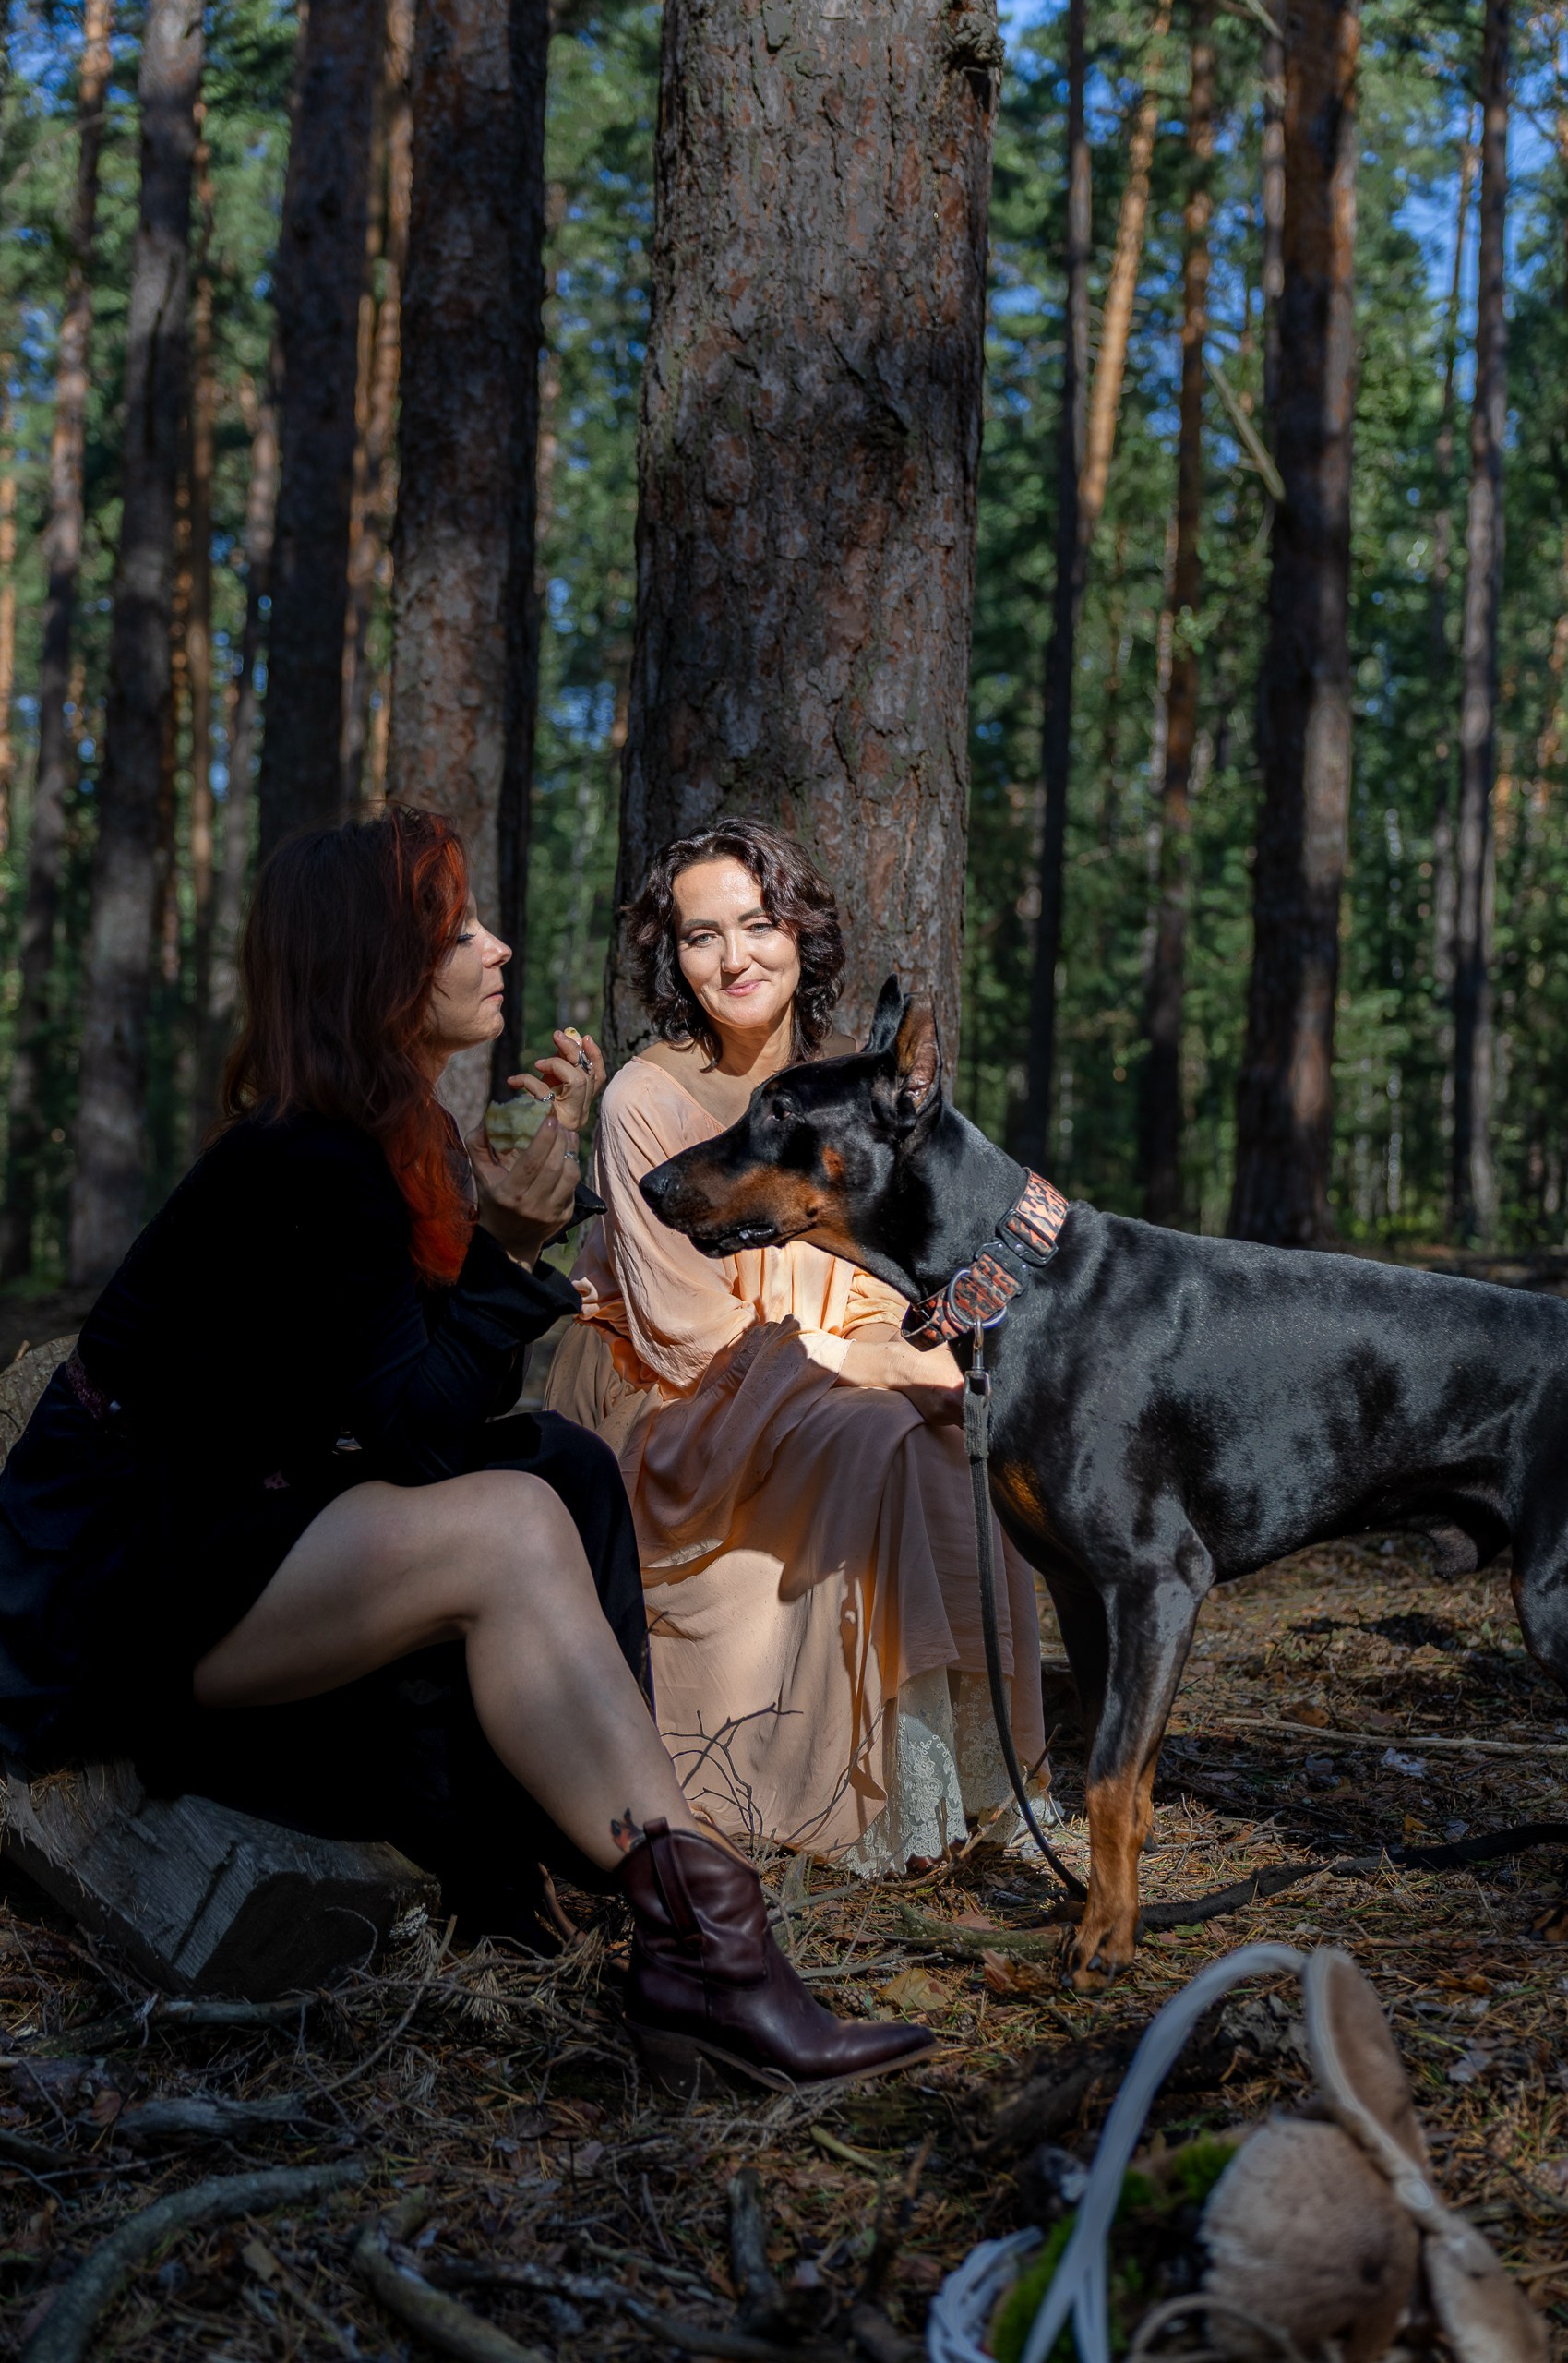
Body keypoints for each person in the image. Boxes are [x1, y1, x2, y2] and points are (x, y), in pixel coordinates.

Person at [0, 809, 929, 2093]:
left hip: (241, 1525)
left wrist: (491, 1242)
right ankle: (707, 1950)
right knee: (509, 1523)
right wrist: (505, 1252)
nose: (497, 949)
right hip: (128, 1587)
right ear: (379, 971)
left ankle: (582, 1881)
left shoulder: (396, 1139)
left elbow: (443, 1409)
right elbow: (414, 1435)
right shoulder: (306, 1161)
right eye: (457, 933)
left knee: (562, 1464)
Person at [547, 820, 1047, 1871]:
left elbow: (873, 1287)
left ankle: (957, 1794)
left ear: (800, 935)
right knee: (875, 1439)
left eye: (759, 924)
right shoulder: (643, 1099)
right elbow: (689, 1336)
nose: (734, 958)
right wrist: (877, 1373)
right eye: (702, 936)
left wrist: (921, 1367)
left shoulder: (833, 1089)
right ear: (672, 958)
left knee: (961, 1433)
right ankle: (851, 1809)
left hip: (814, 1374)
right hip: (682, 1410)